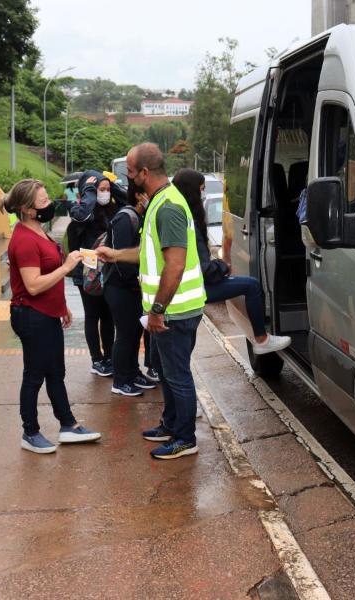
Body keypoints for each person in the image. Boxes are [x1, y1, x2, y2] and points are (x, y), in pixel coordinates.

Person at [97, 143, 205, 460]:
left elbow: (175, 265)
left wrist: (157, 311)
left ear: (145, 173)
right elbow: (148, 254)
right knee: (169, 374)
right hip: (166, 311)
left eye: (130, 172)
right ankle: (171, 424)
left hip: (174, 311)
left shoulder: (168, 206)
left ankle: (185, 438)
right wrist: (115, 253)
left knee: (178, 375)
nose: (127, 178)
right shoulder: (159, 203)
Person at [0, 179, 102, 454]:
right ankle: (30, 432)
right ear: (27, 209)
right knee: (35, 375)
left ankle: (67, 425)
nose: (49, 205)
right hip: (31, 316)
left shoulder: (39, 230)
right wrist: (68, 266)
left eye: (47, 199)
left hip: (46, 313)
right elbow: (32, 285)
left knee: (56, 372)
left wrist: (61, 307)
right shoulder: (23, 240)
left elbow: (47, 278)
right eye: (43, 202)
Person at [173, 168, 291, 355]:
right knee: (251, 286)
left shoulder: (178, 214)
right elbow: (204, 269)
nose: (203, 195)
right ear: (191, 191)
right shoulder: (190, 223)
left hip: (187, 288)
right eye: (201, 190)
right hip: (195, 288)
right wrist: (223, 266)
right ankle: (261, 339)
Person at [103, 182, 157, 396]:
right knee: (125, 334)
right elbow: (120, 257)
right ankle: (120, 380)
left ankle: (133, 372)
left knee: (135, 332)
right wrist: (135, 282)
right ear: (139, 195)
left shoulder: (139, 217)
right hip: (119, 287)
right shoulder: (125, 218)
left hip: (133, 288)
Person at [66, 170, 118, 377]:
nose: (104, 193)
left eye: (107, 190)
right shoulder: (80, 212)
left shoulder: (112, 210)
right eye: (100, 190)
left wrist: (110, 185)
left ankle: (109, 357)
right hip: (86, 273)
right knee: (93, 315)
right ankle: (96, 359)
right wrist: (89, 192)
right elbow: (82, 216)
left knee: (108, 316)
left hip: (107, 271)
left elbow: (125, 197)